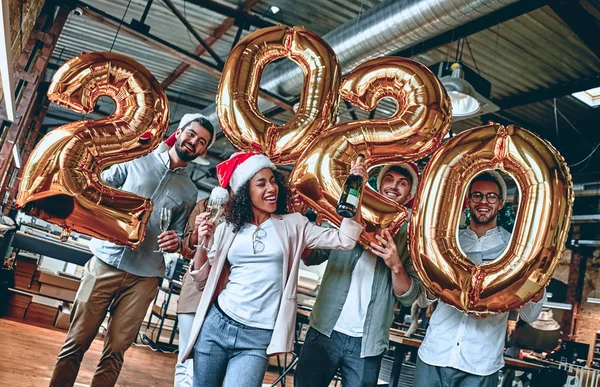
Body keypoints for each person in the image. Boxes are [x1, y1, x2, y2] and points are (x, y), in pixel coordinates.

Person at [49, 114, 215, 387]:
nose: (193, 143)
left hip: (144, 277)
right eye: (191, 135)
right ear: (180, 132)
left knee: (115, 352)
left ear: (203, 151)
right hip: (105, 263)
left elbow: (180, 235)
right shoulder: (138, 158)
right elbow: (97, 188)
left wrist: (174, 242)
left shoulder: (189, 191)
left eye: (201, 142)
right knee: (76, 341)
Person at [182, 151, 365, 387]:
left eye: (273, 181)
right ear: (245, 192)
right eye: (261, 183)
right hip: (217, 325)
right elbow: (201, 281)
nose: (271, 188)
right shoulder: (229, 227)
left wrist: (356, 192)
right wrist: (203, 245)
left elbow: (345, 240)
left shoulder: (293, 224)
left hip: (257, 338)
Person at [295, 163, 423, 387]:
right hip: (324, 329)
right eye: (389, 179)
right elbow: (314, 256)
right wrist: (298, 228)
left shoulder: (412, 237)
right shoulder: (350, 212)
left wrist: (395, 265)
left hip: (368, 343)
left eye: (402, 183)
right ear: (380, 184)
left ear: (409, 194)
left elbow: (409, 297)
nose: (394, 186)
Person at [414, 171, 547, 387]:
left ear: (500, 203)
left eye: (491, 196)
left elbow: (530, 315)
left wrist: (538, 284)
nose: (484, 202)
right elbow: (422, 300)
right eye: (477, 195)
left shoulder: (516, 250)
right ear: (468, 201)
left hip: (481, 365)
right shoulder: (447, 242)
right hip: (434, 354)